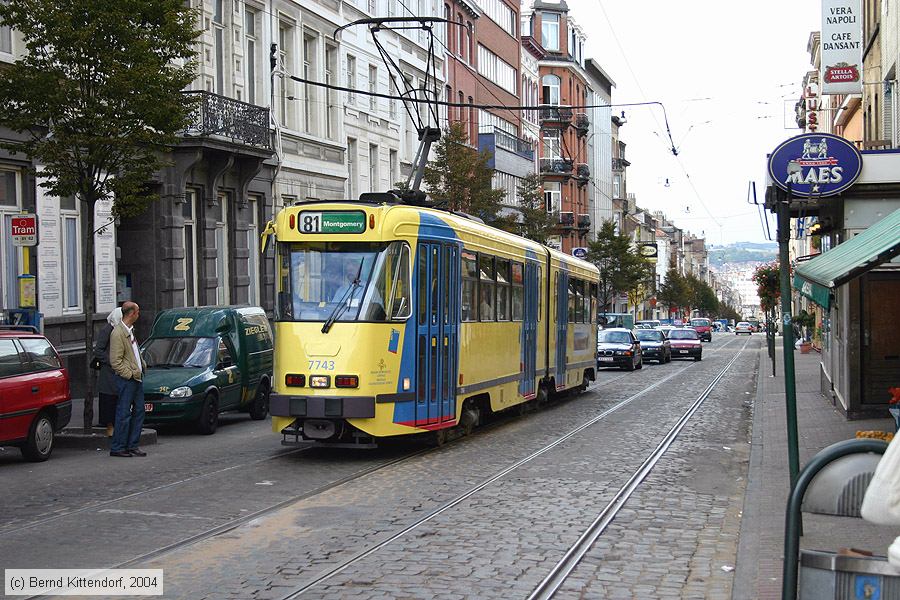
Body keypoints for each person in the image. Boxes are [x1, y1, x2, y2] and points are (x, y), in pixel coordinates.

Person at [108, 301, 147, 457]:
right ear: (131, 314)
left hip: (136, 378)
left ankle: (132, 445)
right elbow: (115, 361)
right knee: (124, 413)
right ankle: (118, 447)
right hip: (127, 379)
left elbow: (134, 353)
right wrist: (129, 374)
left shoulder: (130, 331)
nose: (139, 314)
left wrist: (142, 365)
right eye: (137, 312)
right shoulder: (118, 333)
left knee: (139, 411)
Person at [93, 307, 123, 437]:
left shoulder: (122, 329)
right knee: (109, 398)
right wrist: (111, 361)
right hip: (109, 372)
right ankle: (109, 425)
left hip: (118, 370)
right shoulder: (108, 330)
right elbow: (98, 350)